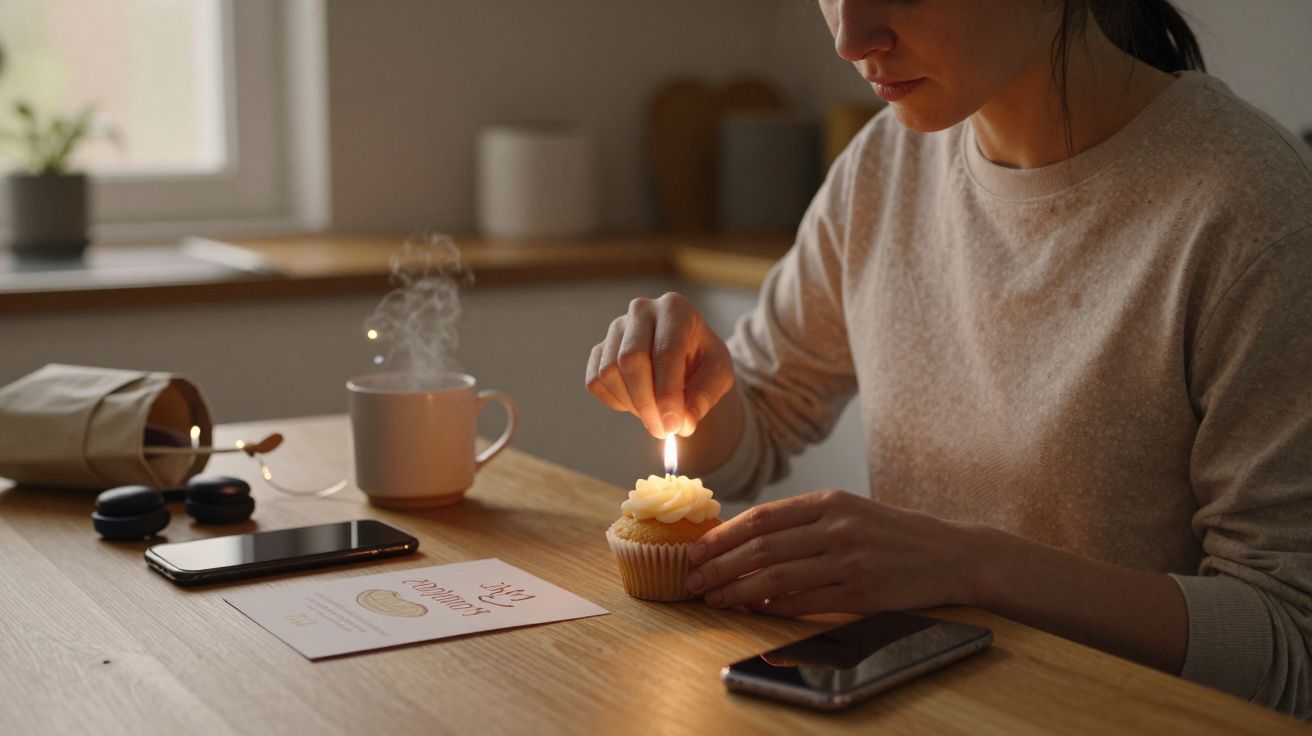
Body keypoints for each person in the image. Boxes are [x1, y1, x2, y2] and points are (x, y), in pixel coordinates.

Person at [585, 0, 1311, 717]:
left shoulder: (1253, 211)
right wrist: (695, 384)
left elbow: (1288, 642)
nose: (850, 36)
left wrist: (973, 566)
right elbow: (763, 420)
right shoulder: (883, 166)